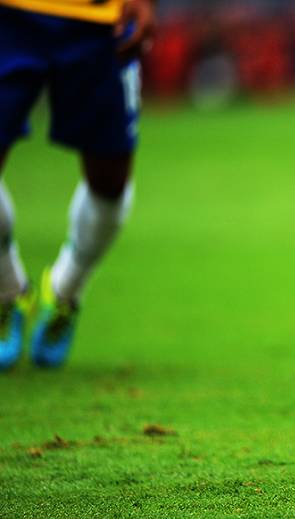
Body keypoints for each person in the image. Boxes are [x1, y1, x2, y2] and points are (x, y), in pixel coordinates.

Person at [0, 0, 156, 370]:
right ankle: (7, 291)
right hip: (8, 17)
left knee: (109, 178)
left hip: (100, 19)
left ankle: (66, 291)